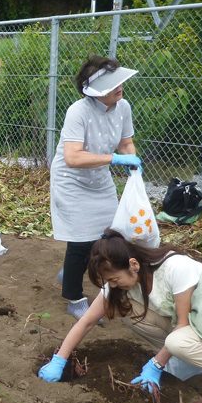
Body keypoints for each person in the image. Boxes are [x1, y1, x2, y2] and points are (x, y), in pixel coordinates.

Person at [38, 229, 202, 398]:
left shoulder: (175, 268)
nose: (113, 285)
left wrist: (156, 364)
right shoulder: (122, 281)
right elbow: (87, 321)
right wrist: (60, 359)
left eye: (114, 279)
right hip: (197, 327)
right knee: (125, 309)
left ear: (133, 264)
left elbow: (183, 325)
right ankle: (190, 359)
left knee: (178, 342)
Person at [50, 55, 142, 319]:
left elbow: (126, 143)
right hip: (71, 180)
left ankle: (69, 272)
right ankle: (74, 297)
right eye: (112, 84)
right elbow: (73, 157)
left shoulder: (123, 107)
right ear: (96, 90)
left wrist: (130, 160)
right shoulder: (78, 112)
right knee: (80, 240)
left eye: (119, 82)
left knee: (107, 234)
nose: (119, 87)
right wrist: (114, 158)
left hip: (99, 179)